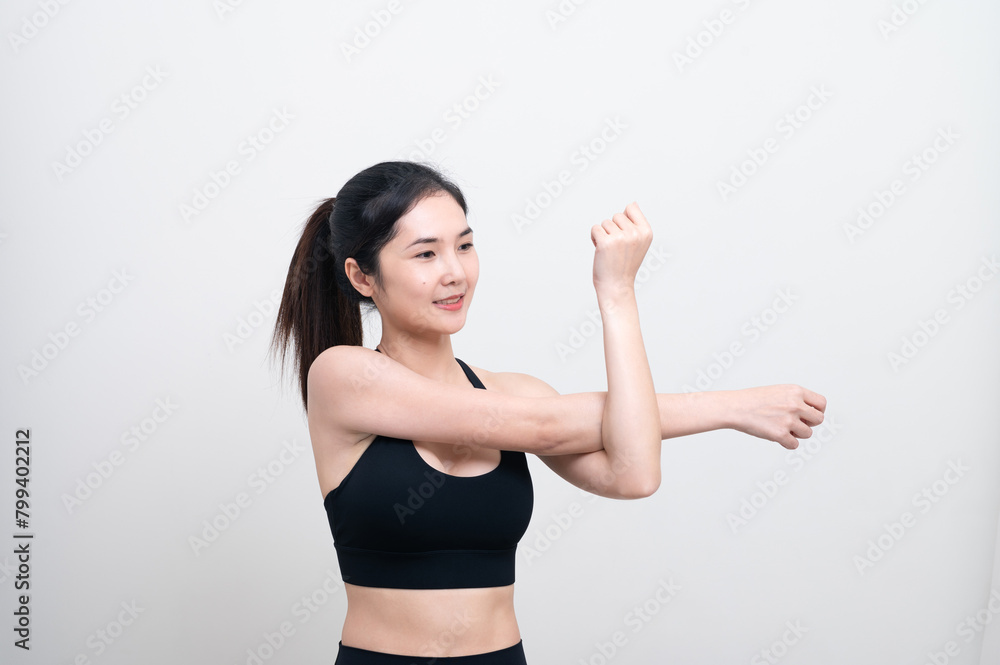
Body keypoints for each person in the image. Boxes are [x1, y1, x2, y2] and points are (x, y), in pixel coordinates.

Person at [268, 160, 826, 664]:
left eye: (465, 245)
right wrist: (733, 406)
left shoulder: (516, 391)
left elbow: (633, 471)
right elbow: (545, 427)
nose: (455, 271)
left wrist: (617, 295)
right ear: (361, 276)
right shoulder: (343, 377)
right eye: (425, 254)